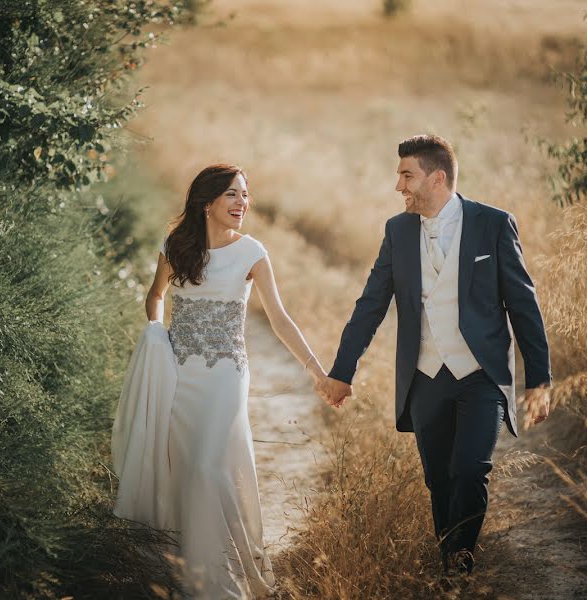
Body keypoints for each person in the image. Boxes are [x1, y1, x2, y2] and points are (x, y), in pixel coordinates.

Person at [316, 134, 552, 579]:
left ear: (437, 177)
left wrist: (539, 379)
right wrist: (342, 372)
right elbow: (370, 305)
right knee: (439, 480)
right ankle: (449, 556)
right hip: (425, 377)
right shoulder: (397, 231)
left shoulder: (494, 224)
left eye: (407, 175)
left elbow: (523, 304)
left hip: (480, 374)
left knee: (470, 469)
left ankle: (461, 562)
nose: (398, 186)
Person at [113, 164, 328, 599]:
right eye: (232, 194)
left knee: (208, 466)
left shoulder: (252, 253)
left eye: (245, 195)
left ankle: (217, 582)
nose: (242, 203)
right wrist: (156, 329)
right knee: (184, 466)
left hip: (226, 374)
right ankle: (185, 570)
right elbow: (156, 294)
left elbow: (280, 319)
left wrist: (318, 372)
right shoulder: (176, 246)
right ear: (206, 202)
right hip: (177, 370)